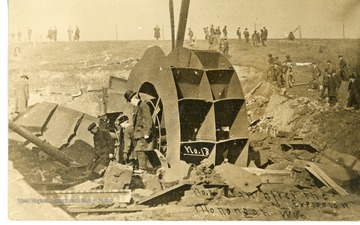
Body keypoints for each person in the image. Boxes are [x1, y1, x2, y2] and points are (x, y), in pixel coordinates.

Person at [124, 90, 161, 172]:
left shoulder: (143, 106)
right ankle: (157, 166)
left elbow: (148, 119)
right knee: (148, 150)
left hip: (144, 132)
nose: (130, 103)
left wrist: (147, 132)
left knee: (139, 148)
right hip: (140, 132)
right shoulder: (137, 107)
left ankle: (142, 168)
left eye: (130, 101)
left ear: (134, 98)